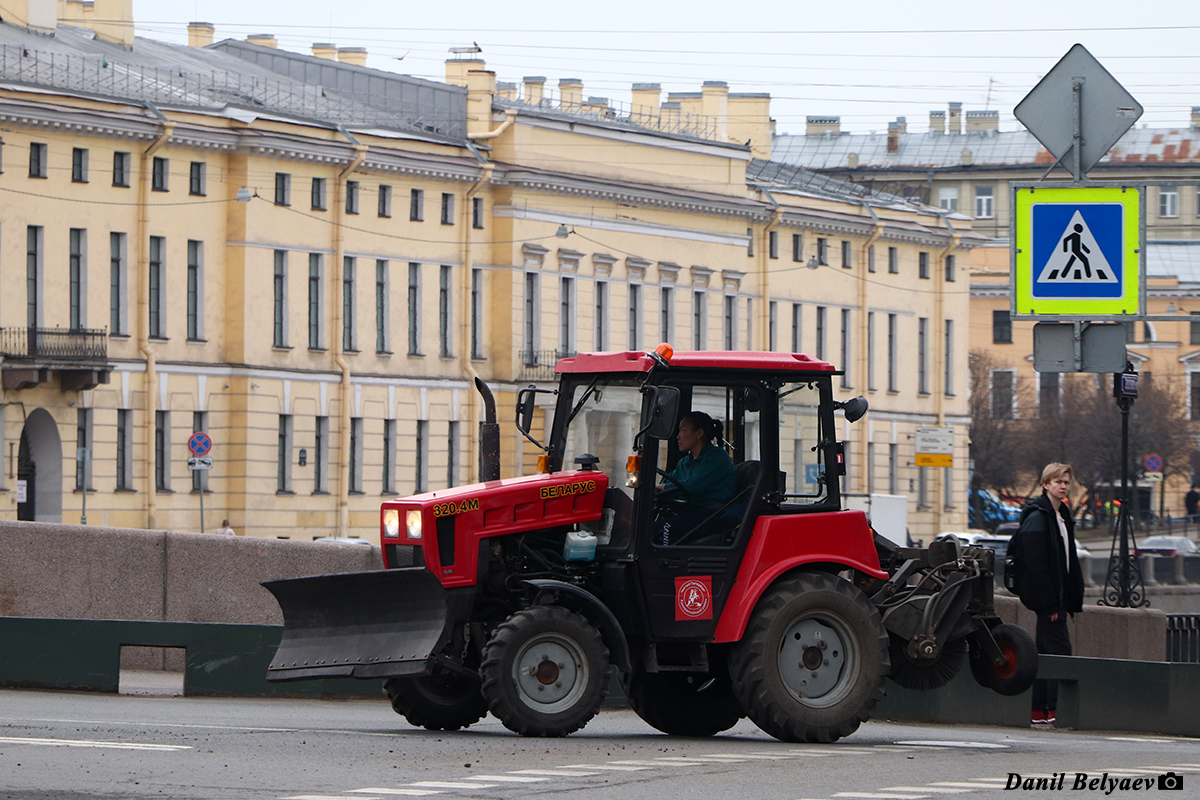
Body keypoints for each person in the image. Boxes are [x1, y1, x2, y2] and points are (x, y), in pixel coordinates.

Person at [1012, 462, 1084, 728]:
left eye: (1066, 482)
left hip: (1058, 598)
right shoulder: (1039, 517)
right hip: (1050, 601)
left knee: (1045, 653)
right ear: (1045, 485)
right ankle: (1054, 709)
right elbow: (1037, 565)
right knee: (1060, 652)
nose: (1063, 486)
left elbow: (1065, 561)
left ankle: (1039, 711)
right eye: (1057, 482)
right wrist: (1052, 602)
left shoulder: (1061, 515)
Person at [655, 411, 736, 545]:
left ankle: (664, 562)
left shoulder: (717, 458)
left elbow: (692, 486)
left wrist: (665, 487)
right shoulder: (685, 462)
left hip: (711, 513)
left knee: (665, 527)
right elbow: (669, 482)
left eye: (683, 430)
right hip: (690, 511)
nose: (678, 437)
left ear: (699, 433)